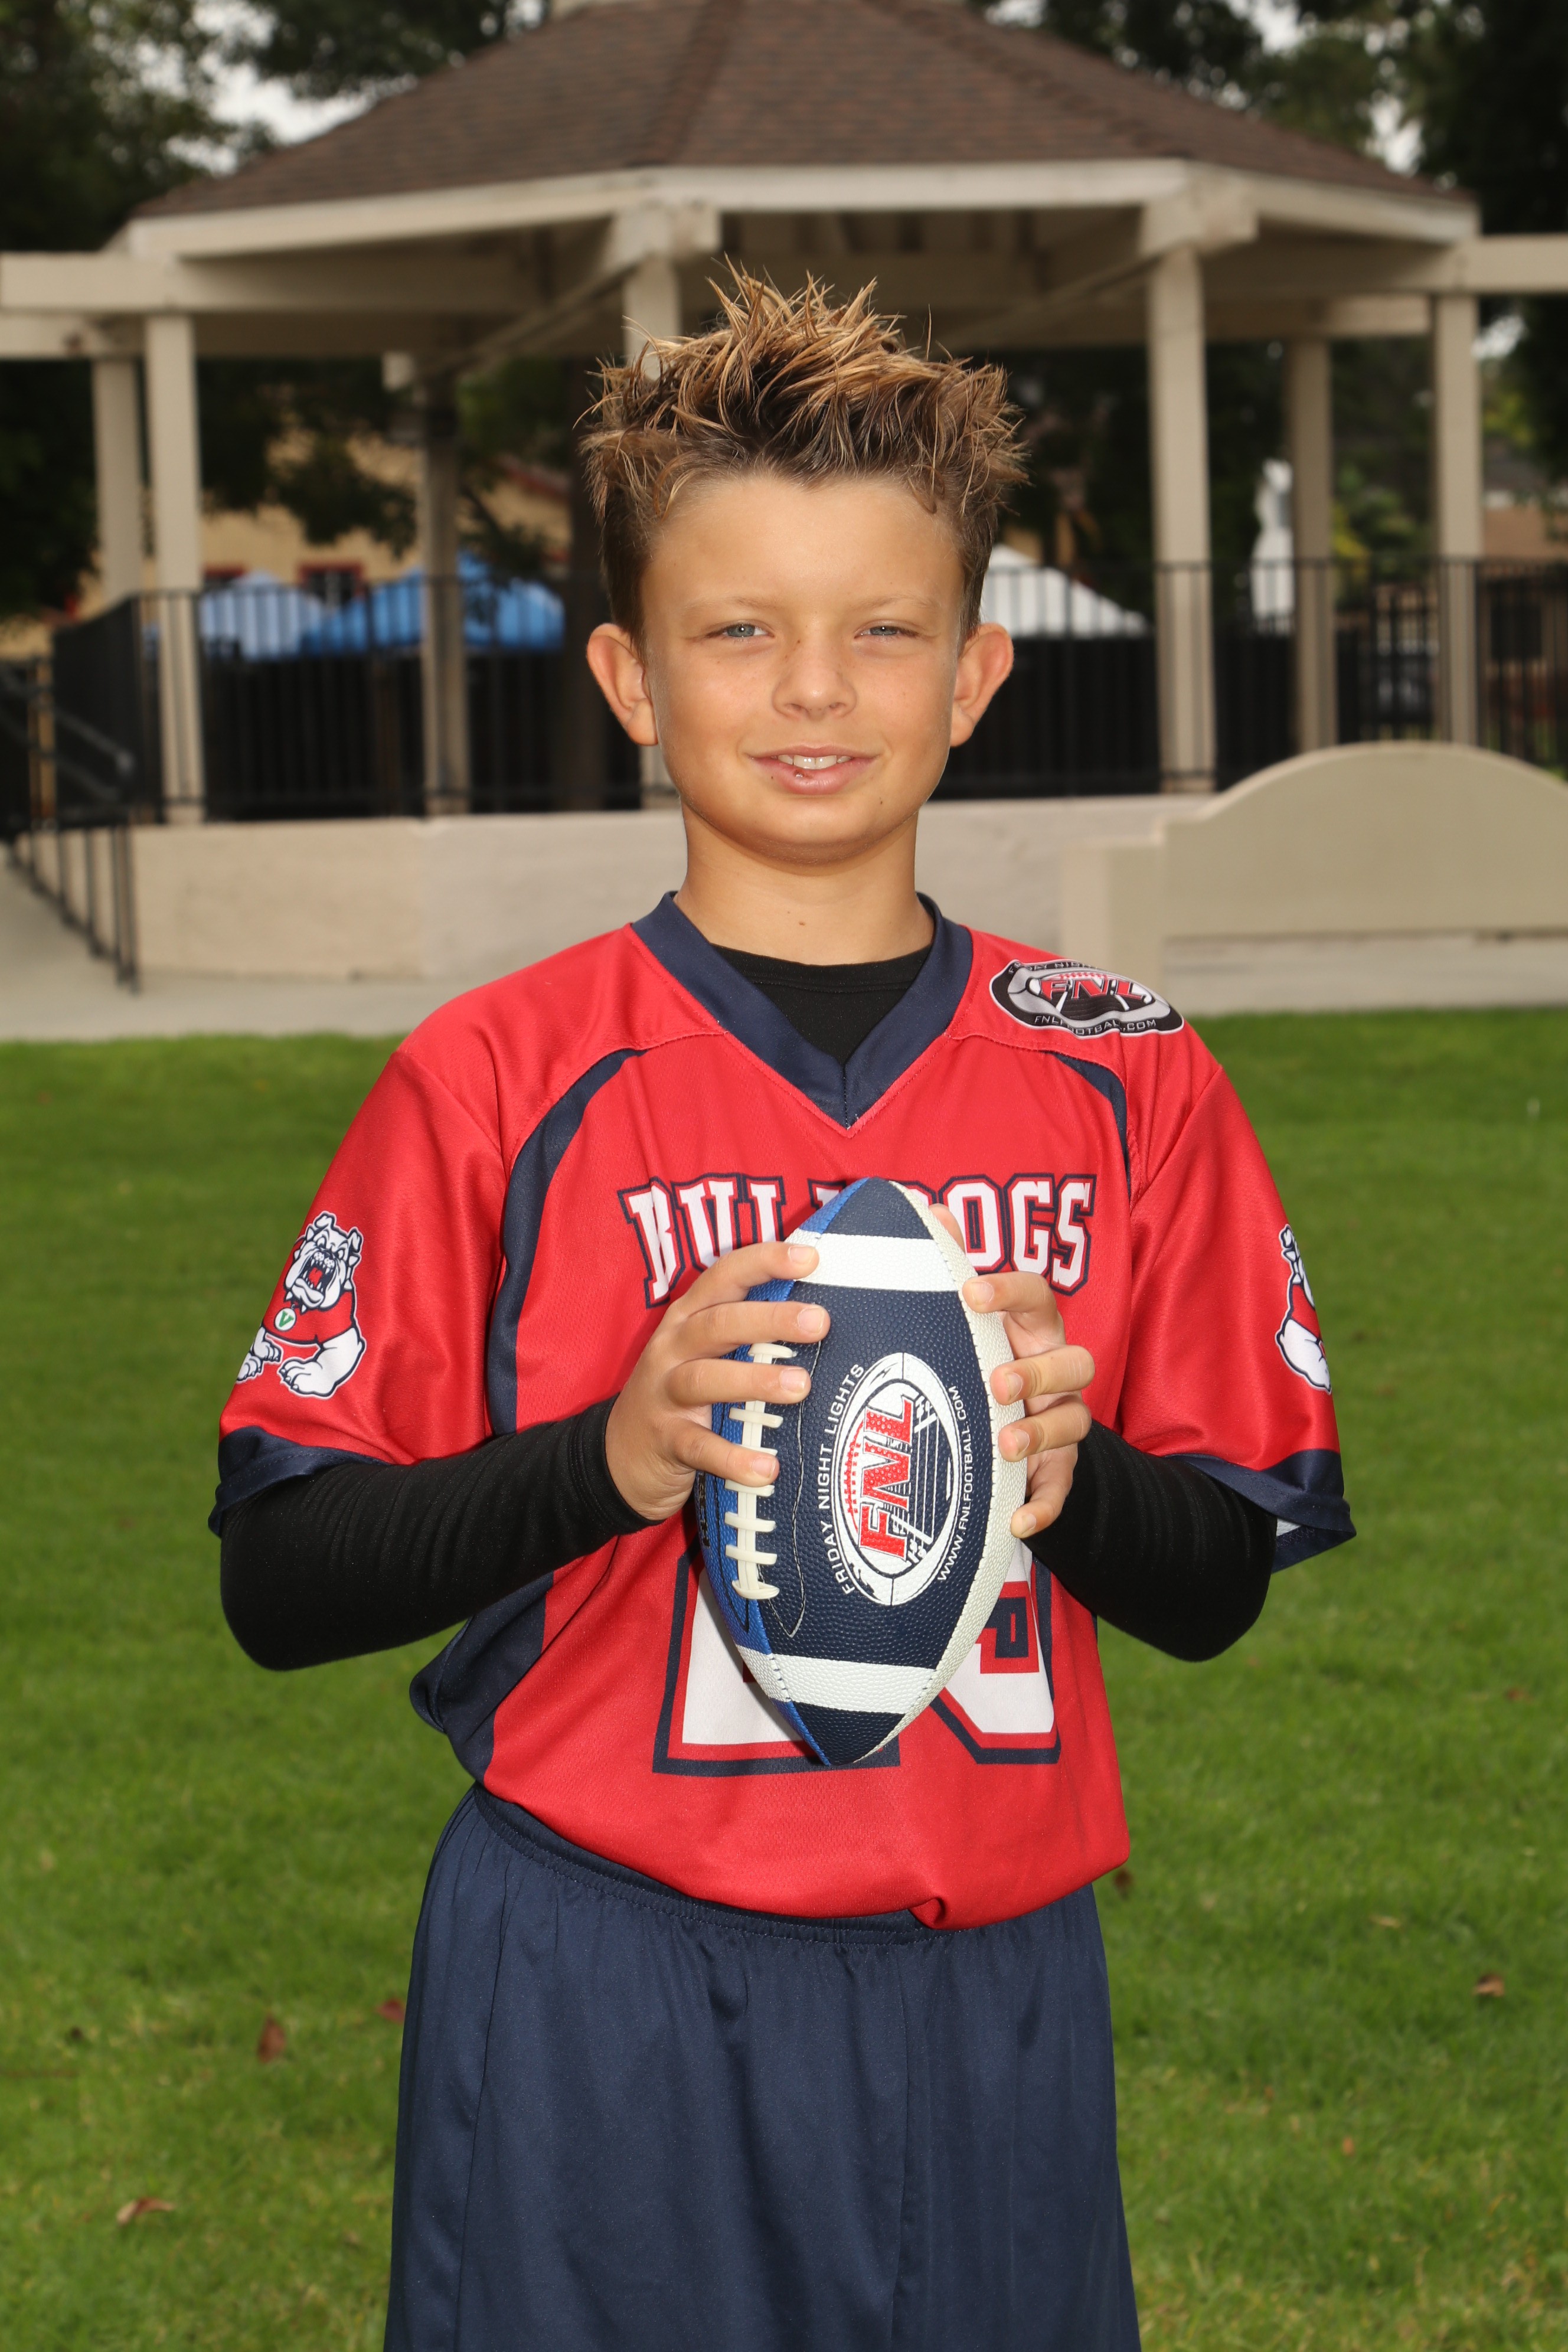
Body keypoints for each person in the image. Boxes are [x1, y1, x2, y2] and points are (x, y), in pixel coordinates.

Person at [214, 274, 1353, 2352]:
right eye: (740, 629)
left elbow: (1215, 1589)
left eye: (882, 629)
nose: (814, 687)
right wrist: (614, 1457)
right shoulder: (496, 1076)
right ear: (633, 679)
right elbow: (282, 1580)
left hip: (994, 1981)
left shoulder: (1127, 1071)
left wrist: (1063, 1470)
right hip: (603, 1978)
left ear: (976, 673)